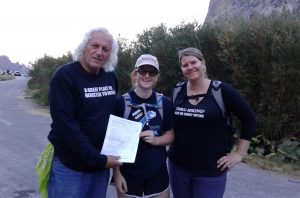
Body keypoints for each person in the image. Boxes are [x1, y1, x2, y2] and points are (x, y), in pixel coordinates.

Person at [168, 47, 256, 198]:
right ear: (181, 69)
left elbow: (249, 119)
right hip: (178, 169)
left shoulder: (222, 91)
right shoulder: (177, 91)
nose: (190, 67)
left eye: (193, 62)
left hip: (211, 172)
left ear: (203, 63)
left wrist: (239, 154)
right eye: (185, 65)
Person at [47, 27, 122, 198]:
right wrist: (99, 160)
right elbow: (66, 127)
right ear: (84, 47)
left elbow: (113, 117)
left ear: (110, 54)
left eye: (105, 49)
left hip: (100, 167)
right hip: (71, 167)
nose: (99, 52)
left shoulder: (111, 77)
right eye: (94, 46)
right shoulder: (65, 77)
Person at [113, 54, 174, 198]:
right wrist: (117, 174)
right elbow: (114, 143)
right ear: (136, 73)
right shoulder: (121, 103)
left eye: (151, 72)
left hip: (158, 175)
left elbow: (171, 134)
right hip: (128, 175)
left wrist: (156, 140)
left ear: (156, 76)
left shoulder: (164, 103)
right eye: (142, 71)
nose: (147, 75)